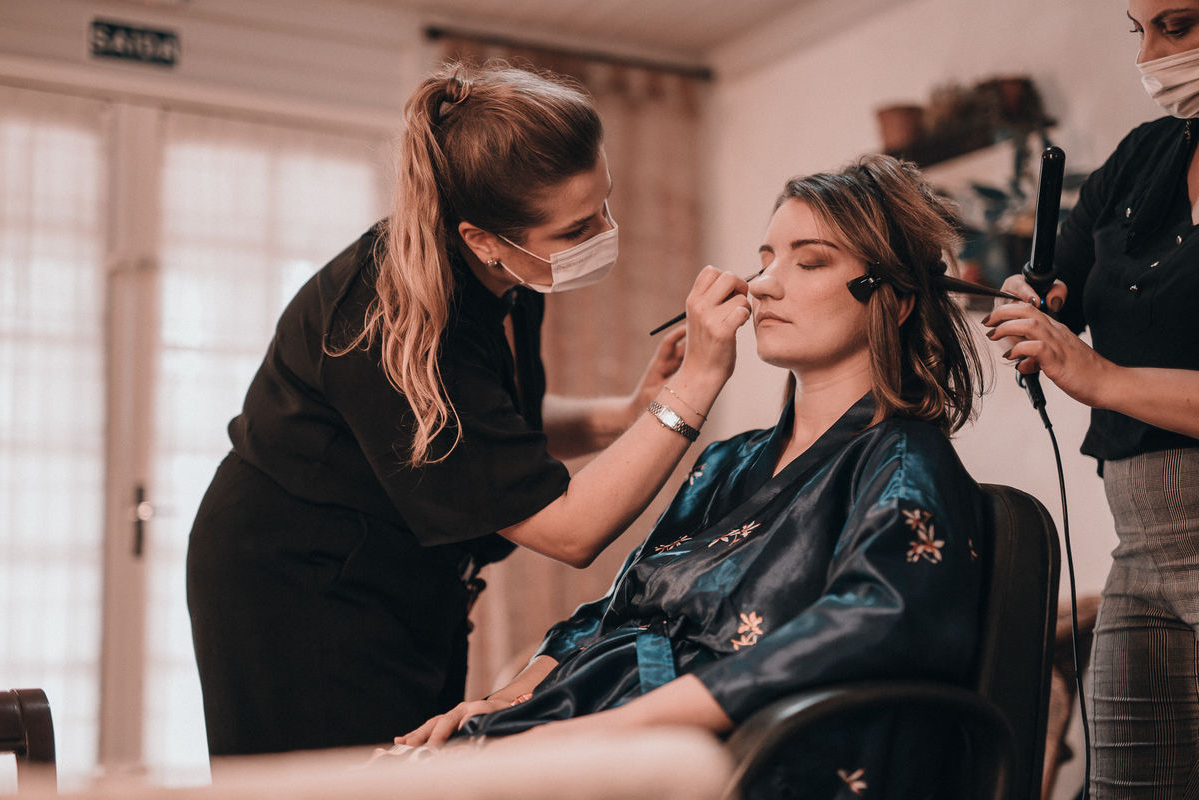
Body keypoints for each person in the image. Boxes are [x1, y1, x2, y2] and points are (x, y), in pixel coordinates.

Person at [186, 60, 752, 756]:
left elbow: (490, 433)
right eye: (576, 231)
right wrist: (693, 385)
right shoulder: (396, 320)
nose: (605, 232)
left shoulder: (507, 273)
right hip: (299, 579)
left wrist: (628, 411)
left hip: (404, 571)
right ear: (481, 236)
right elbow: (569, 531)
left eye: (604, 203)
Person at [397, 155, 990, 797]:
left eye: (810, 261)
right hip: (608, 724)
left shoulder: (902, 462)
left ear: (895, 299)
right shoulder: (726, 461)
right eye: (765, 259)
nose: (762, 285)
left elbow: (873, 625)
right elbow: (620, 607)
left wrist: (608, 730)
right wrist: (506, 702)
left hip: (730, 758)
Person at [984, 2, 1199, 795]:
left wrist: (1101, 378)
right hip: (1140, 550)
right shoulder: (1144, 159)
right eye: (1138, 30)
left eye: (1177, 25)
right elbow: (1056, 286)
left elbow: (1093, 366)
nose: (1151, 55)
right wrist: (1031, 299)